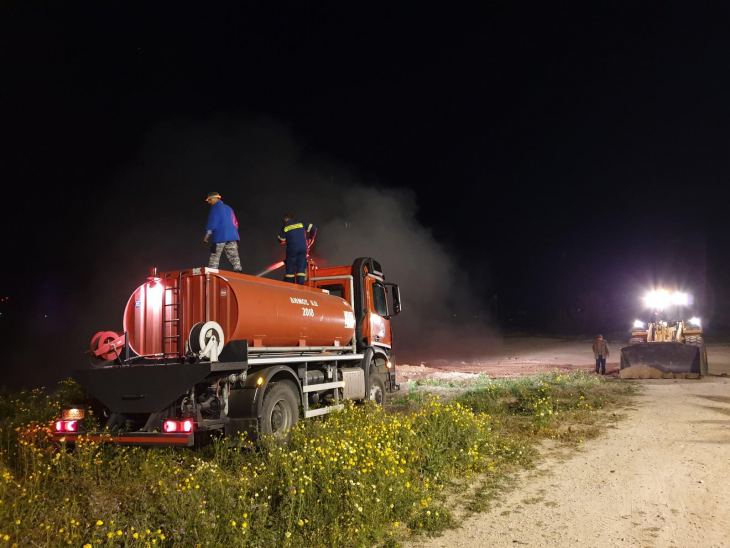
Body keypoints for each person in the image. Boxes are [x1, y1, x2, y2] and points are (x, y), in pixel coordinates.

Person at [203, 191, 242, 272]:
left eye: (209, 200)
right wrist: (234, 233)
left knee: (215, 255)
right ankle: (238, 270)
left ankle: (212, 272)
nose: (209, 202)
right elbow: (235, 223)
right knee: (234, 256)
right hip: (232, 236)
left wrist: (207, 236)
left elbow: (212, 222)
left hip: (220, 236)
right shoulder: (229, 208)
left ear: (215, 198)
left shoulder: (215, 208)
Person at [277, 213, 317, 283]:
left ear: (286, 219)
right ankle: (301, 286)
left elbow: (281, 240)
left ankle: (291, 285)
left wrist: (285, 239)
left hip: (292, 249)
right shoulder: (301, 223)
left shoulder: (285, 226)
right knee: (301, 269)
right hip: (303, 249)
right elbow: (314, 227)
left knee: (290, 269)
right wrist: (311, 238)